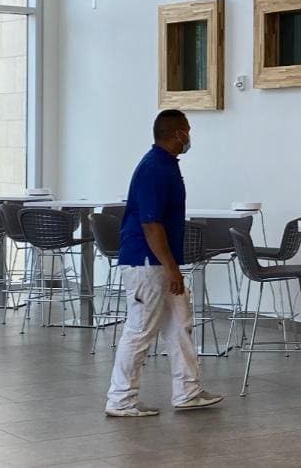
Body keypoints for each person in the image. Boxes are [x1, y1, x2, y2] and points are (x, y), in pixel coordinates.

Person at [105, 109, 223, 416]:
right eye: (188, 130)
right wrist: (172, 268)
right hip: (147, 263)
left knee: (180, 324)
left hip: (160, 262)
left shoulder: (166, 165)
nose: (190, 136)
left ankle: (188, 391)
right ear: (178, 133)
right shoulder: (155, 168)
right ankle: (121, 399)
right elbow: (150, 224)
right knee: (140, 329)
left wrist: (172, 267)